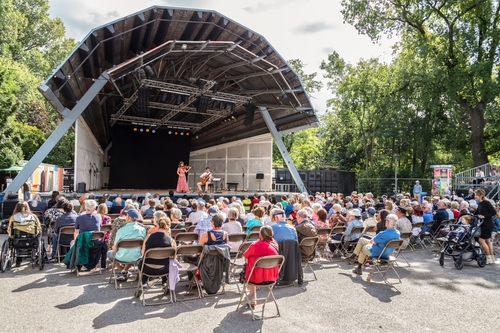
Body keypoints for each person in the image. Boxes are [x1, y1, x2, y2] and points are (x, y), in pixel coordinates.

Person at [243, 225, 279, 308]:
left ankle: (253, 297)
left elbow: (245, 254)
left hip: (256, 278)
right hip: (271, 277)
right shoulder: (275, 244)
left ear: (260, 234)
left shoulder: (255, 245)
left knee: (249, 260)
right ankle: (253, 296)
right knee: (255, 260)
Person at [108, 209, 147, 281]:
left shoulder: (121, 230)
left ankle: (123, 271)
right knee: (131, 251)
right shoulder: (142, 230)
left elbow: (115, 248)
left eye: (126, 215)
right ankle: (124, 271)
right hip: (136, 256)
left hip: (122, 257)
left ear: (128, 217)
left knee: (110, 253)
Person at [139, 216, 176, 287]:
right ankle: (164, 282)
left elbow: (143, 252)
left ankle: (144, 282)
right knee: (168, 260)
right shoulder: (171, 240)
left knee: (144, 259)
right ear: (168, 227)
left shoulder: (148, 236)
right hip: (164, 269)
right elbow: (174, 257)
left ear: (158, 225)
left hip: (146, 268)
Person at [7, 201, 42, 266]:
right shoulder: (33, 217)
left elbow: (9, 229)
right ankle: (36, 254)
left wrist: (10, 236)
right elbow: (39, 228)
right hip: (31, 240)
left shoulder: (13, 217)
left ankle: (18, 259)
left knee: (16, 236)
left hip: (17, 241)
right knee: (39, 235)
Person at [475, 189, 496, 264]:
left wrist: (484, 216)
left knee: (481, 240)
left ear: (480, 196)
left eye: (476, 195)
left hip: (488, 223)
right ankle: (491, 258)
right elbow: (477, 212)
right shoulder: (480, 203)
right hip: (484, 224)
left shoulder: (486, 203)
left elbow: (493, 212)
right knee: (487, 241)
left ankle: (488, 257)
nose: (475, 196)